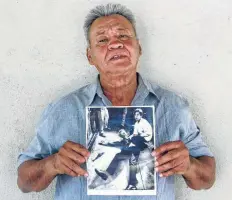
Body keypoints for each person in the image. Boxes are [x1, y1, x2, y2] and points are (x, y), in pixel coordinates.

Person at [17, 3, 216, 200]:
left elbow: (206, 179)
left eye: (123, 35)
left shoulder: (173, 107)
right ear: (90, 56)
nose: (115, 44)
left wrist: (189, 165)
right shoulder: (63, 110)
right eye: (102, 40)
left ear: (139, 47)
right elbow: (24, 183)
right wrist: (53, 164)